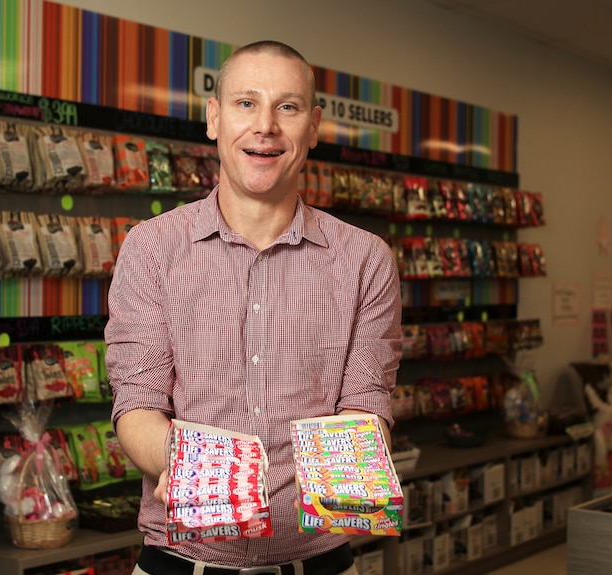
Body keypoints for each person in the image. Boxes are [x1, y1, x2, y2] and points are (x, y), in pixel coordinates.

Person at [104, 40, 402, 575]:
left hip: (320, 563)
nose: (265, 125)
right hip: (181, 562)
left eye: (287, 107)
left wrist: (353, 471)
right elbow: (137, 405)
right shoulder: (151, 249)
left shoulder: (365, 260)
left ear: (313, 127)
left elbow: (365, 402)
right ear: (214, 118)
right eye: (246, 103)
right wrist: (183, 464)